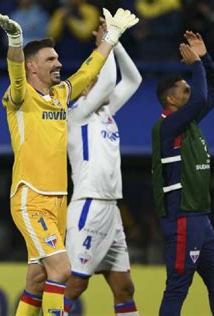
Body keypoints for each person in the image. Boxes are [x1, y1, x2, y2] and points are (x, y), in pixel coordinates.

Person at [0, 8, 138, 315]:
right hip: (31, 197)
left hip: (59, 200)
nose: (59, 63)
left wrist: (111, 37)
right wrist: (15, 41)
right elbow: (16, 76)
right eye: (50, 60)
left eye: (58, 58)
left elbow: (89, 70)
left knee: (38, 277)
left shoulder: (60, 95)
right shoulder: (20, 98)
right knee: (61, 270)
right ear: (33, 67)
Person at [64, 22, 142, 314]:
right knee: (74, 284)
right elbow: (109, 79)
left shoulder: (106, 113)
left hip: (111, 209)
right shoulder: (76, 114)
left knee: (124, 287)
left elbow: (133, 80)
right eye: (92, 80)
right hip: (88, 205)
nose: (98, 83)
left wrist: (114, 42)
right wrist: (105, 41)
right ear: (85, 88)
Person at [152, 31, 214, 316]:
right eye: (185, 90)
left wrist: (206, 58)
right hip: (182, 215)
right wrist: (196, 65)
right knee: (178, 287)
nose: (191, 93)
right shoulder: (168, 126)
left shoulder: (188, 121)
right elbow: (202, 97)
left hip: (199, 216)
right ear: (171, 100)